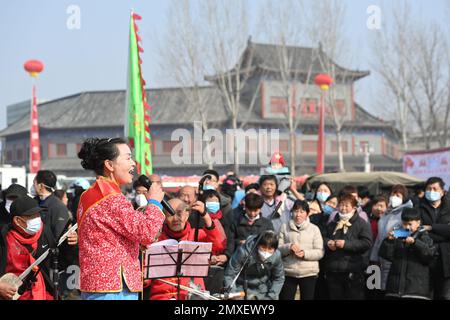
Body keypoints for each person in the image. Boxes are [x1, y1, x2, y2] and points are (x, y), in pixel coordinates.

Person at [76, 137, 166, 300]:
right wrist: (153, 202)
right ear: (109, 165)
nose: (134, 164)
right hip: (113, 288)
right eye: (128, 157)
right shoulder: (112, 198)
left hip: (97, 285)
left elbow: (109, 237)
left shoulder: (88, 194)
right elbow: (147, 233)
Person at [0, 196, 78, 300]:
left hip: (43, 294)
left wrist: (70, 245)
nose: (37, 218)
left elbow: (58, 263)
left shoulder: (44, 232)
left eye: (38, 214)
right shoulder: (4, 239)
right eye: (32, 216)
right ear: (17, 220)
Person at [146, 198, 224, 300]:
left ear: (187, 215)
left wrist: (206, 216)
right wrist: (145, 279)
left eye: (179, 213)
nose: (175, 219)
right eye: (170, 214)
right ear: (164, 217)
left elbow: (218, 245)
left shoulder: (197, 235)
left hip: (193, 294)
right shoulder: (155, 240)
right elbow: (146, 276)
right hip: (162, 296)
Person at [379, 207, 436, 300]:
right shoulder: (398, 236)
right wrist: (389, 241)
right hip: (395, 290)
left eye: (410, 224)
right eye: (405, 224)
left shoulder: (424, 236)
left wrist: (415, 243)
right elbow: (387, 256)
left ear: (418, 222)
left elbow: (429, 255)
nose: (407, 227)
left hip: (416, 290)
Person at [323, 194, 372, 300]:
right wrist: (328, 243)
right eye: (341, 205)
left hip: (353, 271)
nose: (343, 208)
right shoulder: (333, 222)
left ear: (354, 208)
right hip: (333, 270)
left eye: (346, 206)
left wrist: (346, 244)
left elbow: (367, 243)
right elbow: (323, 237)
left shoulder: (361, 223)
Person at [370, 184, 413, 293]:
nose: (394, 197)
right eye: (393, 194)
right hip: (382, 257)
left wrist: (395, 233)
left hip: (396, 255)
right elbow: (379, 238)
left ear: (404, 198)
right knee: (379, 288)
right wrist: (374, 258)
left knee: (392, 288)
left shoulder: (407, 212)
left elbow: (411, 230)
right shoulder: (386, 214)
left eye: (398, 195)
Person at [278, 200, 324, 300]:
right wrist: (288, 247)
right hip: (288, 271)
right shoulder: (284, 227)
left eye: (302, 211)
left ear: (307, 214)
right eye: (295, 211)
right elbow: (277, 250)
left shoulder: (314, 229)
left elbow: (320, 252)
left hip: (309, 272)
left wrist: (305, 254)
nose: (298, 215)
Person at [224, 230, 285, 300]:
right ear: (258, 245)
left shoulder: (276, 255)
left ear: (275, 249)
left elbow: (279, 278)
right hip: (240, 288)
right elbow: (230, 274)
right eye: (263, 247)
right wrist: (233, 295)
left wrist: (271, 296)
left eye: (270, 249)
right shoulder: (243, 252)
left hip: (263, 289)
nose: (266, 252)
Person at [416, 177, 450, 300]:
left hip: (446, 260)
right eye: (428, 189)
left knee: (445, 296)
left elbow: (425, 230)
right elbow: (417, 231)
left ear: (442, 192)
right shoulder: (418, 207)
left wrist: (430, 228)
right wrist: (444, 230)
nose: (431, 191)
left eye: (435, 189)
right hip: (424, 259)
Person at [225, 193, 274, 260]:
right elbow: (230, 241)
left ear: (260, 209)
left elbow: (271, 242)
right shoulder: (236, 222)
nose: (252, 213)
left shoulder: (267, 223)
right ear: (245, 207)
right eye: (249, 210)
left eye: (255, 210)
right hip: (239, 258)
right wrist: (239, 242)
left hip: (260, 259)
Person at [32, 170, 71, 241]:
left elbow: (59, 236)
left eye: (34, 183)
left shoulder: (59, 207)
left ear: (41, 186)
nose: (33, 187)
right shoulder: (32, 202)